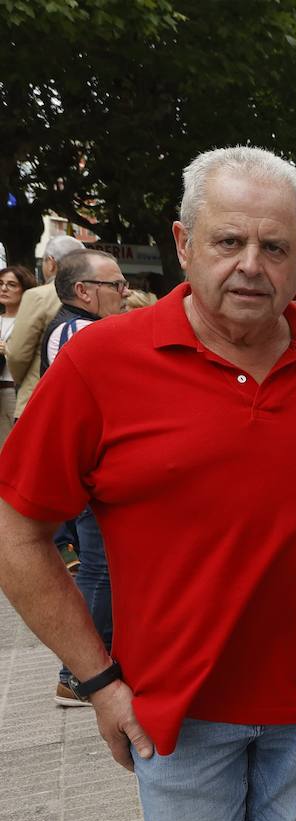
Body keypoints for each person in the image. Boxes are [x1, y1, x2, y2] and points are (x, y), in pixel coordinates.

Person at [0, 145, 296, 821]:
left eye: (273, 247)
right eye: (228, 241)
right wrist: (98, 682)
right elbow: (17, 530)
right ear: (182, 243)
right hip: (176, 706)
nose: (250, 266)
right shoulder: (104, 360)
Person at [36, 248, 130, 707]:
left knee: (102, 567)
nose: (125, 292)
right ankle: (76, 673)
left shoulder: (80, 327)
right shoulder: (78, 331)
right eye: (116, 285)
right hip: (94, 468)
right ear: (84, 291)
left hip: (93, 466)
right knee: (99, 568)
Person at [8, 234, 86, 419]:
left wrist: (20, 381)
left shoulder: (37, 296)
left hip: (37, 396)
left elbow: (18, 353)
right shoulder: (92, 293)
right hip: (79, 401)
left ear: (51, 263)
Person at [0, 264, 38, 448]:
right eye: (0, 283)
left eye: (12, 285)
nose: (4, 288)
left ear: (25, 290)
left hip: (15, 390)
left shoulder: (30, 321)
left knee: (14, 445)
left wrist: (7, 349)